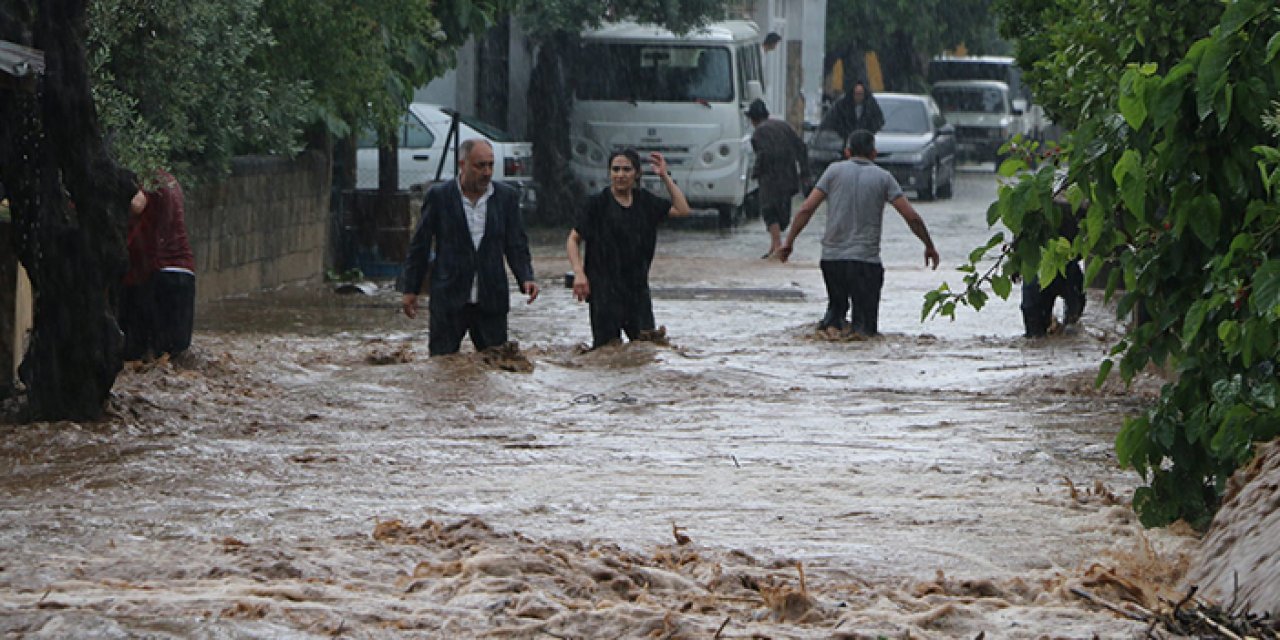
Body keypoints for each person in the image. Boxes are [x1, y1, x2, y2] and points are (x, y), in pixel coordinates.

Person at [778, 130, 940, 337]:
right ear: (874, 153)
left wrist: (789, 243)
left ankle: (831, 338)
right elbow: (912, 217)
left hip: (832, 260)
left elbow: (806, 209)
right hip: (865, 263)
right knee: (865, 330)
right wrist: (929, 245)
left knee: (835, 314)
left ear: (847, 152)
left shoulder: (832, 172)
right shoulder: (884, 178)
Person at [400, 138, 539, 356]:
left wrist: (526, 277)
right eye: (480, 165)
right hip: (449, 299)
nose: (487, 172)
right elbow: (420, 245)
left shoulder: (506, 198)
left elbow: (516, 243)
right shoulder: (439, 197)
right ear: (462, 165)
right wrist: (410, 289)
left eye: (491, 165)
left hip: (491, 298)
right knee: (442, 367)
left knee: (496, 367)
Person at [565, 149, 691, 349]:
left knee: (647, 350)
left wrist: (664, 176)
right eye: (615, 170)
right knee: (606, 353)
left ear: (637, 174)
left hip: (637, 291)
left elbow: (682, 209)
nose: (620, 175)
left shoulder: (646, 202)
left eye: (626, 169)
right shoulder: (596, 204)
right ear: (609, 173)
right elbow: (573, 240)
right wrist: (579, 274)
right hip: (604, 292)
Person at [121, 169, 196, 360]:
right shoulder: (171, 182)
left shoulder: (150, 180)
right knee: (174, 356)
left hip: (157, 275)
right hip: (185, 273)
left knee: (139, 355)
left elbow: (137, 205)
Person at [746, 99, 810, 259]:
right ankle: (776, 245)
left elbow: (763, 154)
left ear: (753, 119)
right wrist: (804, 172)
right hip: (788, 177)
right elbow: (801, 147)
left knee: (769, 211)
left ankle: (777, 246)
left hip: (770, 178)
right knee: (782, 213)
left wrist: (756, 172)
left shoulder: (758, 133)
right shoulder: (784, 126)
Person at [1021, 193, 1086, 337]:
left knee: (1034, 336)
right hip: (1066, 270)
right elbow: (1083, 251)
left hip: (1037, 275)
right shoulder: (1077, 212)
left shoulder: (1030, 215)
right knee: (1073, 326)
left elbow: (1020, 247)